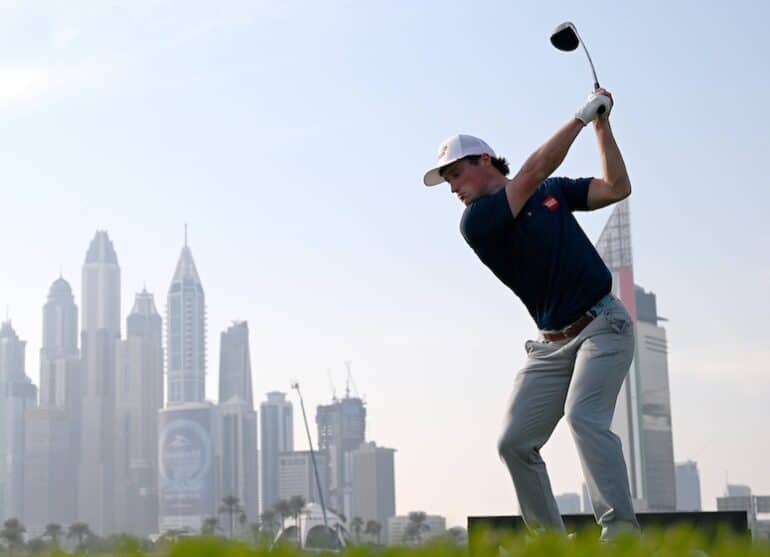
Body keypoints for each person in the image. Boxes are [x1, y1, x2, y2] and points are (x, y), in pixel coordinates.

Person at [423, 89, 639, 541]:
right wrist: (582, 116)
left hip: (605, 326)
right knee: (514, 443)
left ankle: (621, 535)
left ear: (484, 161)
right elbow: (534, 168)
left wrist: (602, 125)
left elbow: (617, 188)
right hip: (551, 347)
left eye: (456, 174)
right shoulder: (477, 221)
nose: (453, 188)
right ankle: (552, 545)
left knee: (584, 417)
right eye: (447, 182)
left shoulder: (551, 194)